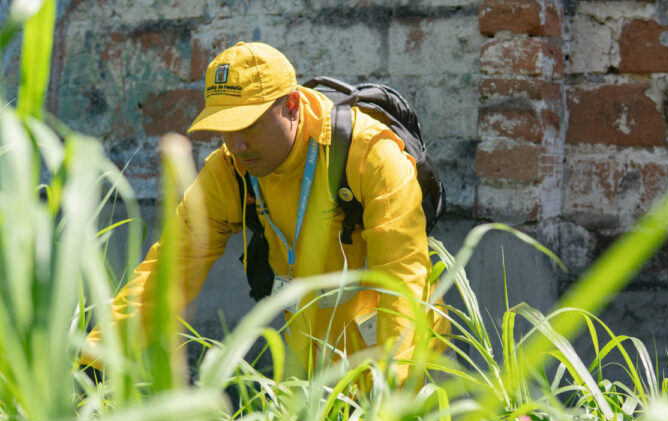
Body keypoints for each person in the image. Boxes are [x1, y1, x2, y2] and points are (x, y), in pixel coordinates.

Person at [86, 41, 448, 383]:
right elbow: (165, 274)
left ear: (291, 105)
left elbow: (403, 280)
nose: (236, 144)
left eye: (249, 124)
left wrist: (394, 391)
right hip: (316, 364)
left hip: (404, 355)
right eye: (224, 129)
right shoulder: (230, 172)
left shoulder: (369, 154)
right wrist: (91, 364)